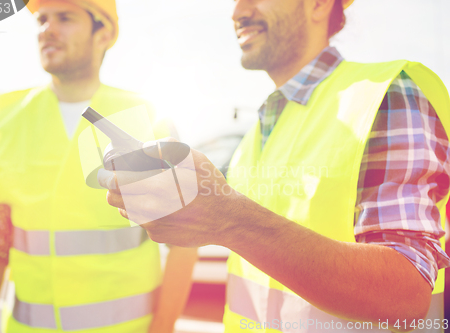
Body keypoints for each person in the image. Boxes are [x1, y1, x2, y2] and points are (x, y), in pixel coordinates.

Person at [101, 0, 450, 332]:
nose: (237, 11)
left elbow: (407, 294)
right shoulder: (259, 131)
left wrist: (228, 219)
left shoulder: (384, 94)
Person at [0, 1, 197, 332]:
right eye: (42, 19)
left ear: (103, 33)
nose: (47, 29)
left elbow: (185, 237)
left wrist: (162, 326)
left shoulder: (147, 117)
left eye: (65, 18)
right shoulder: (2, 119)